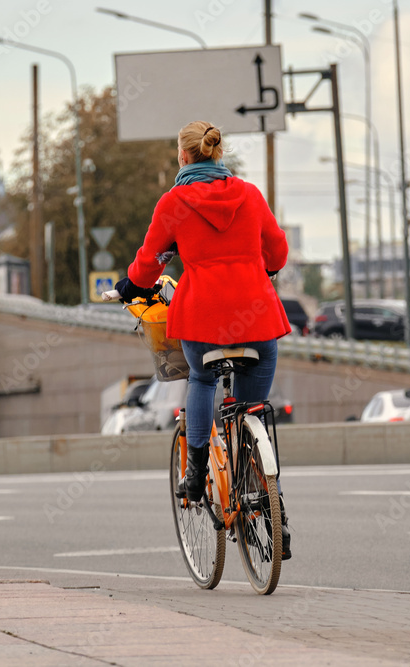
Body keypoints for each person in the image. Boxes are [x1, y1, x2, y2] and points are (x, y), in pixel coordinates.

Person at [115, 120, 292, 559]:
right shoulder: (249, 195)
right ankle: (268, 501)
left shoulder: (174, 202)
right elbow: (278, 252)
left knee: (201, 379)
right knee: (250, 409)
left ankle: (195, 471)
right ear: (217, 154)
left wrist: (129, 287)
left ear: (183, 156)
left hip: (202, 320)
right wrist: (260, 270)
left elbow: (149, 264)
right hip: (258, 319)